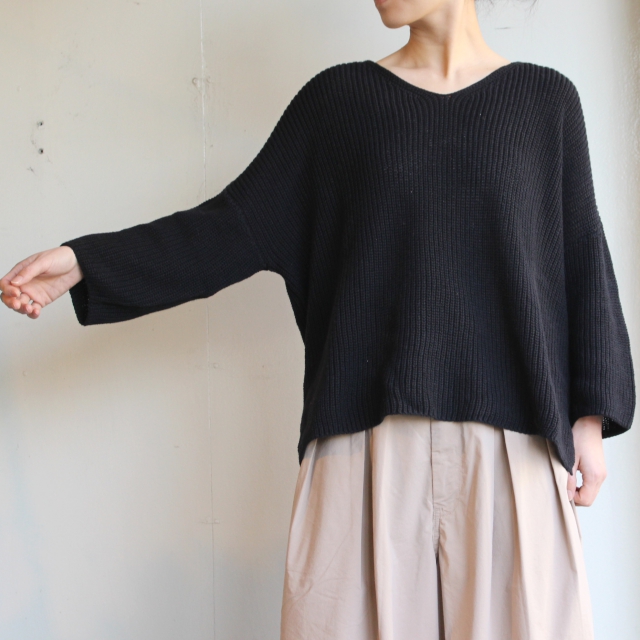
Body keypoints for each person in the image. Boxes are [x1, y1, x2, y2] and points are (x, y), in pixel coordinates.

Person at [1, 0, 635, 638]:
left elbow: (581, 258)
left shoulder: (545, 102)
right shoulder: (337, 105)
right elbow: (229, 229)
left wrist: (590, 416)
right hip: (364, 446)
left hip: (514, 448)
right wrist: (87, 262)